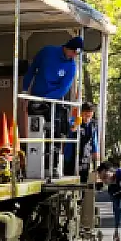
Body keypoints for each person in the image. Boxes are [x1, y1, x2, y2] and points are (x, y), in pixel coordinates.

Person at [22, 36, 83, 174]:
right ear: (68, 48)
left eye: (77, 54)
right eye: (74, 52)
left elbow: (64, 88)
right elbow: (32, 70)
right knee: (35, 130)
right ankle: (33, 165)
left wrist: (45, 99)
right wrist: (25, 90)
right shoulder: (47, 52)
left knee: (54, 132)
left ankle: (53, 166)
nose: (74, 56)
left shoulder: (72, 66)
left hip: (53, 102)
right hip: (36, 98)